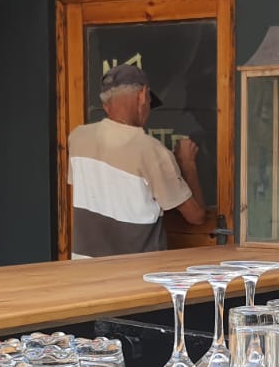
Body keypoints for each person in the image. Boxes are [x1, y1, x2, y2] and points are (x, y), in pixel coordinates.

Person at [67, 63, 206, 258]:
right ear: (142, 95)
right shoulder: (152, 152)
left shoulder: (77, 138)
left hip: (86, 275)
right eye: (149, 101)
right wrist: (188, 163)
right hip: (136, 276)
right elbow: (196, 216)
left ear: (106, 105)